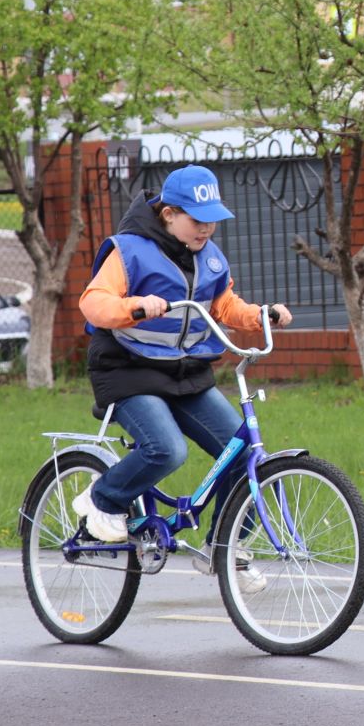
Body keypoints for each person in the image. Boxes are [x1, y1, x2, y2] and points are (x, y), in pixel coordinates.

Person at [72, 165, 292, 544]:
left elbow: (224, 306)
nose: (206, 229)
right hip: (127, 371)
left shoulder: (210, 257)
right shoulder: (131, 251)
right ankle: (102, 499)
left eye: (213, 221)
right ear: (169, 215)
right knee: (167, 450)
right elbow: (93, 302)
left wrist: (260, 316)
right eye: (197, 220)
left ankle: (225, 550)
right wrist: (135, 306)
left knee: (244, 459)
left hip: (185, 374)